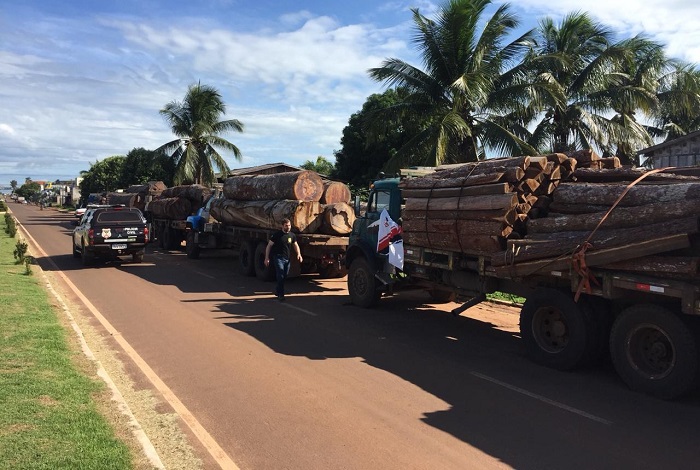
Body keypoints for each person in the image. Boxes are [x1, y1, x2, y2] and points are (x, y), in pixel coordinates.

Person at [264, 218, 302, 301]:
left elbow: (295, 245)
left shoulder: (292, 235)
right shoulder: (277, 235)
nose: (288, 227)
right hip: (278, 258)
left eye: (289, 225)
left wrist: (299, 254)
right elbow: (269, 246)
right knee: (280, 274)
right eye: (286, 226)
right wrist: (266, 258)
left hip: (287, 259)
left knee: (284, 275)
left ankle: (278, 290)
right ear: (282, 226)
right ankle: (281, 295)